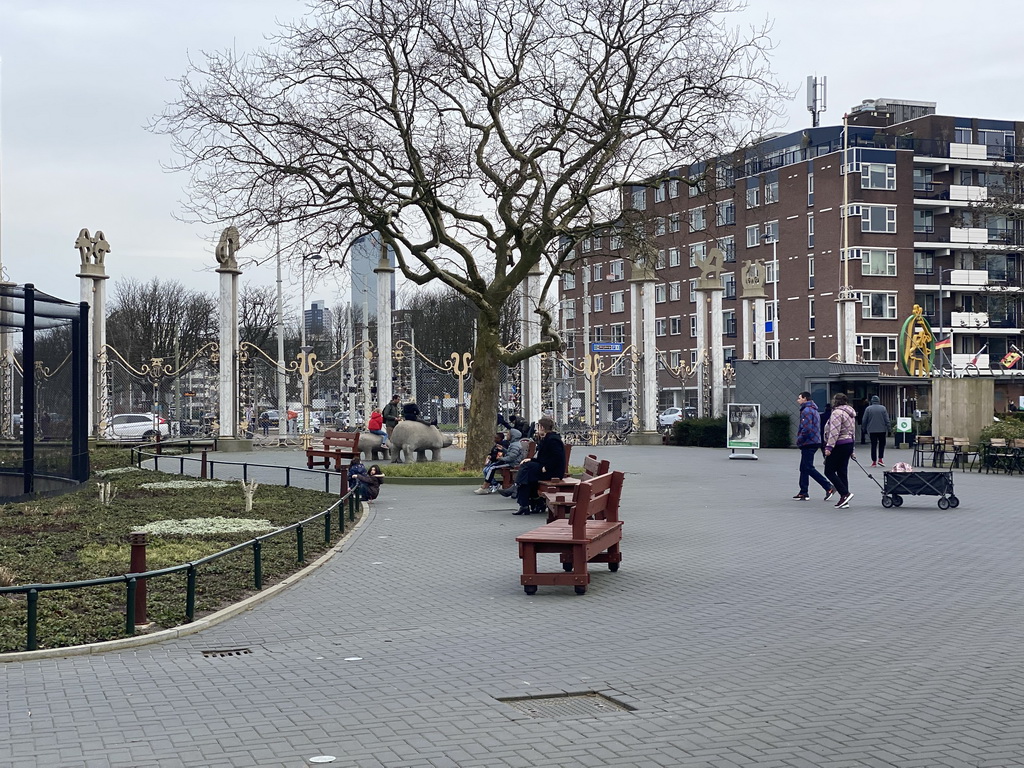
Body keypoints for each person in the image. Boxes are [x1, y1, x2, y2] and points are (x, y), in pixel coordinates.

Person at [511, 417, 566, 516]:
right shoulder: (548, 438)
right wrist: (531, 459)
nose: (537, 429)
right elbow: (543, 458)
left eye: (538, 426)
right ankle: (530, 504)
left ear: (542, 427)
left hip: (552, 472)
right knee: (526, 473)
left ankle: (522, 499)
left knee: (526, 470)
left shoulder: (553, 440)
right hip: (547, 468)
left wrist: (547, 467)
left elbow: (557, 457)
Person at [794, 392, 834, 502]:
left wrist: (799, 440)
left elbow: (807, 428)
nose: (798, 400)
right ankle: (803, 492)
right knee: (804, 467)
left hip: (809, 442)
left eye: (799, 398)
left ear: (805, 399)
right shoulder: (814, 409)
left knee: (808, 467)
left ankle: (828, 486)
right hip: (815, 440)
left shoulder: (806, 411)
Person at [823, 393, 857, 509]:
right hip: (848, 443)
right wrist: (852, 449)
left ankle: (845, 493)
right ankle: (844, 500)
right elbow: (853, 431)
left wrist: (829, 447)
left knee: (829, 471)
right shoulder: (850, 413)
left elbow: (834, 431)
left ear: (835, 401)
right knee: (842, 471)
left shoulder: (837, 413)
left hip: (839, 444)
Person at [474, 429, 524, 494]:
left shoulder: (515, 445)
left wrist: (501, 458)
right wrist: (503, 449)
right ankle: (489, 485)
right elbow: (510, 453)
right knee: (492, 467)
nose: (507, 436)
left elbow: (511, 458)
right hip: (511, 462)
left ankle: (485, 486)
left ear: (513, 436)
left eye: (508, 434)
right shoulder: (514, 444)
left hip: (512, 464)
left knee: (492, 467)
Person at [862, 395, 891, 467]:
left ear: (871, 401)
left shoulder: (868, 409)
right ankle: (880, 459)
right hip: (882, 430)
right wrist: (889, 429)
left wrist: (864, 428)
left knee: (873, 445)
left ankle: (874, 461)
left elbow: (864, 420)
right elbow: (887, 420)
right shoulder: (883, 408)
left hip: (872, 430)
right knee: (882, 444)